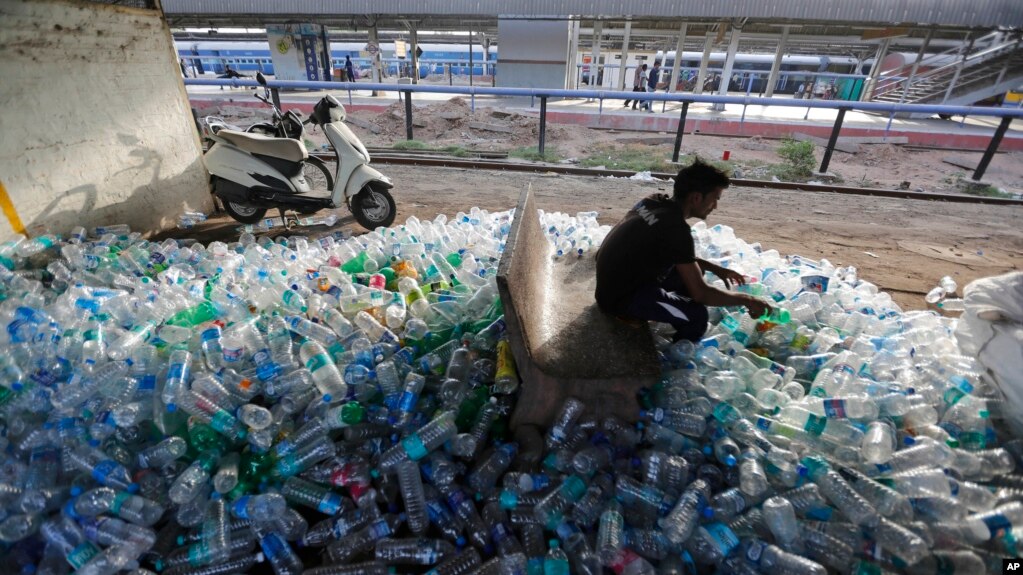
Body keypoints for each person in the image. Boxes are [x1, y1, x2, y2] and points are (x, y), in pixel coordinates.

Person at [595, 159, 771, 342]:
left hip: (612, 278)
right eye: (714, 199)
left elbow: (675, 252)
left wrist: (715, 268)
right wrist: (747, 300)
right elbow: (701, 293)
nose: (715, 206)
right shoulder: (676, 229)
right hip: (619, 298)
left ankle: (667, 309)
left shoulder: (654, 201)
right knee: (697, 317)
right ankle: (676, 359)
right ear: (696, 198)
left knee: (695, 272)